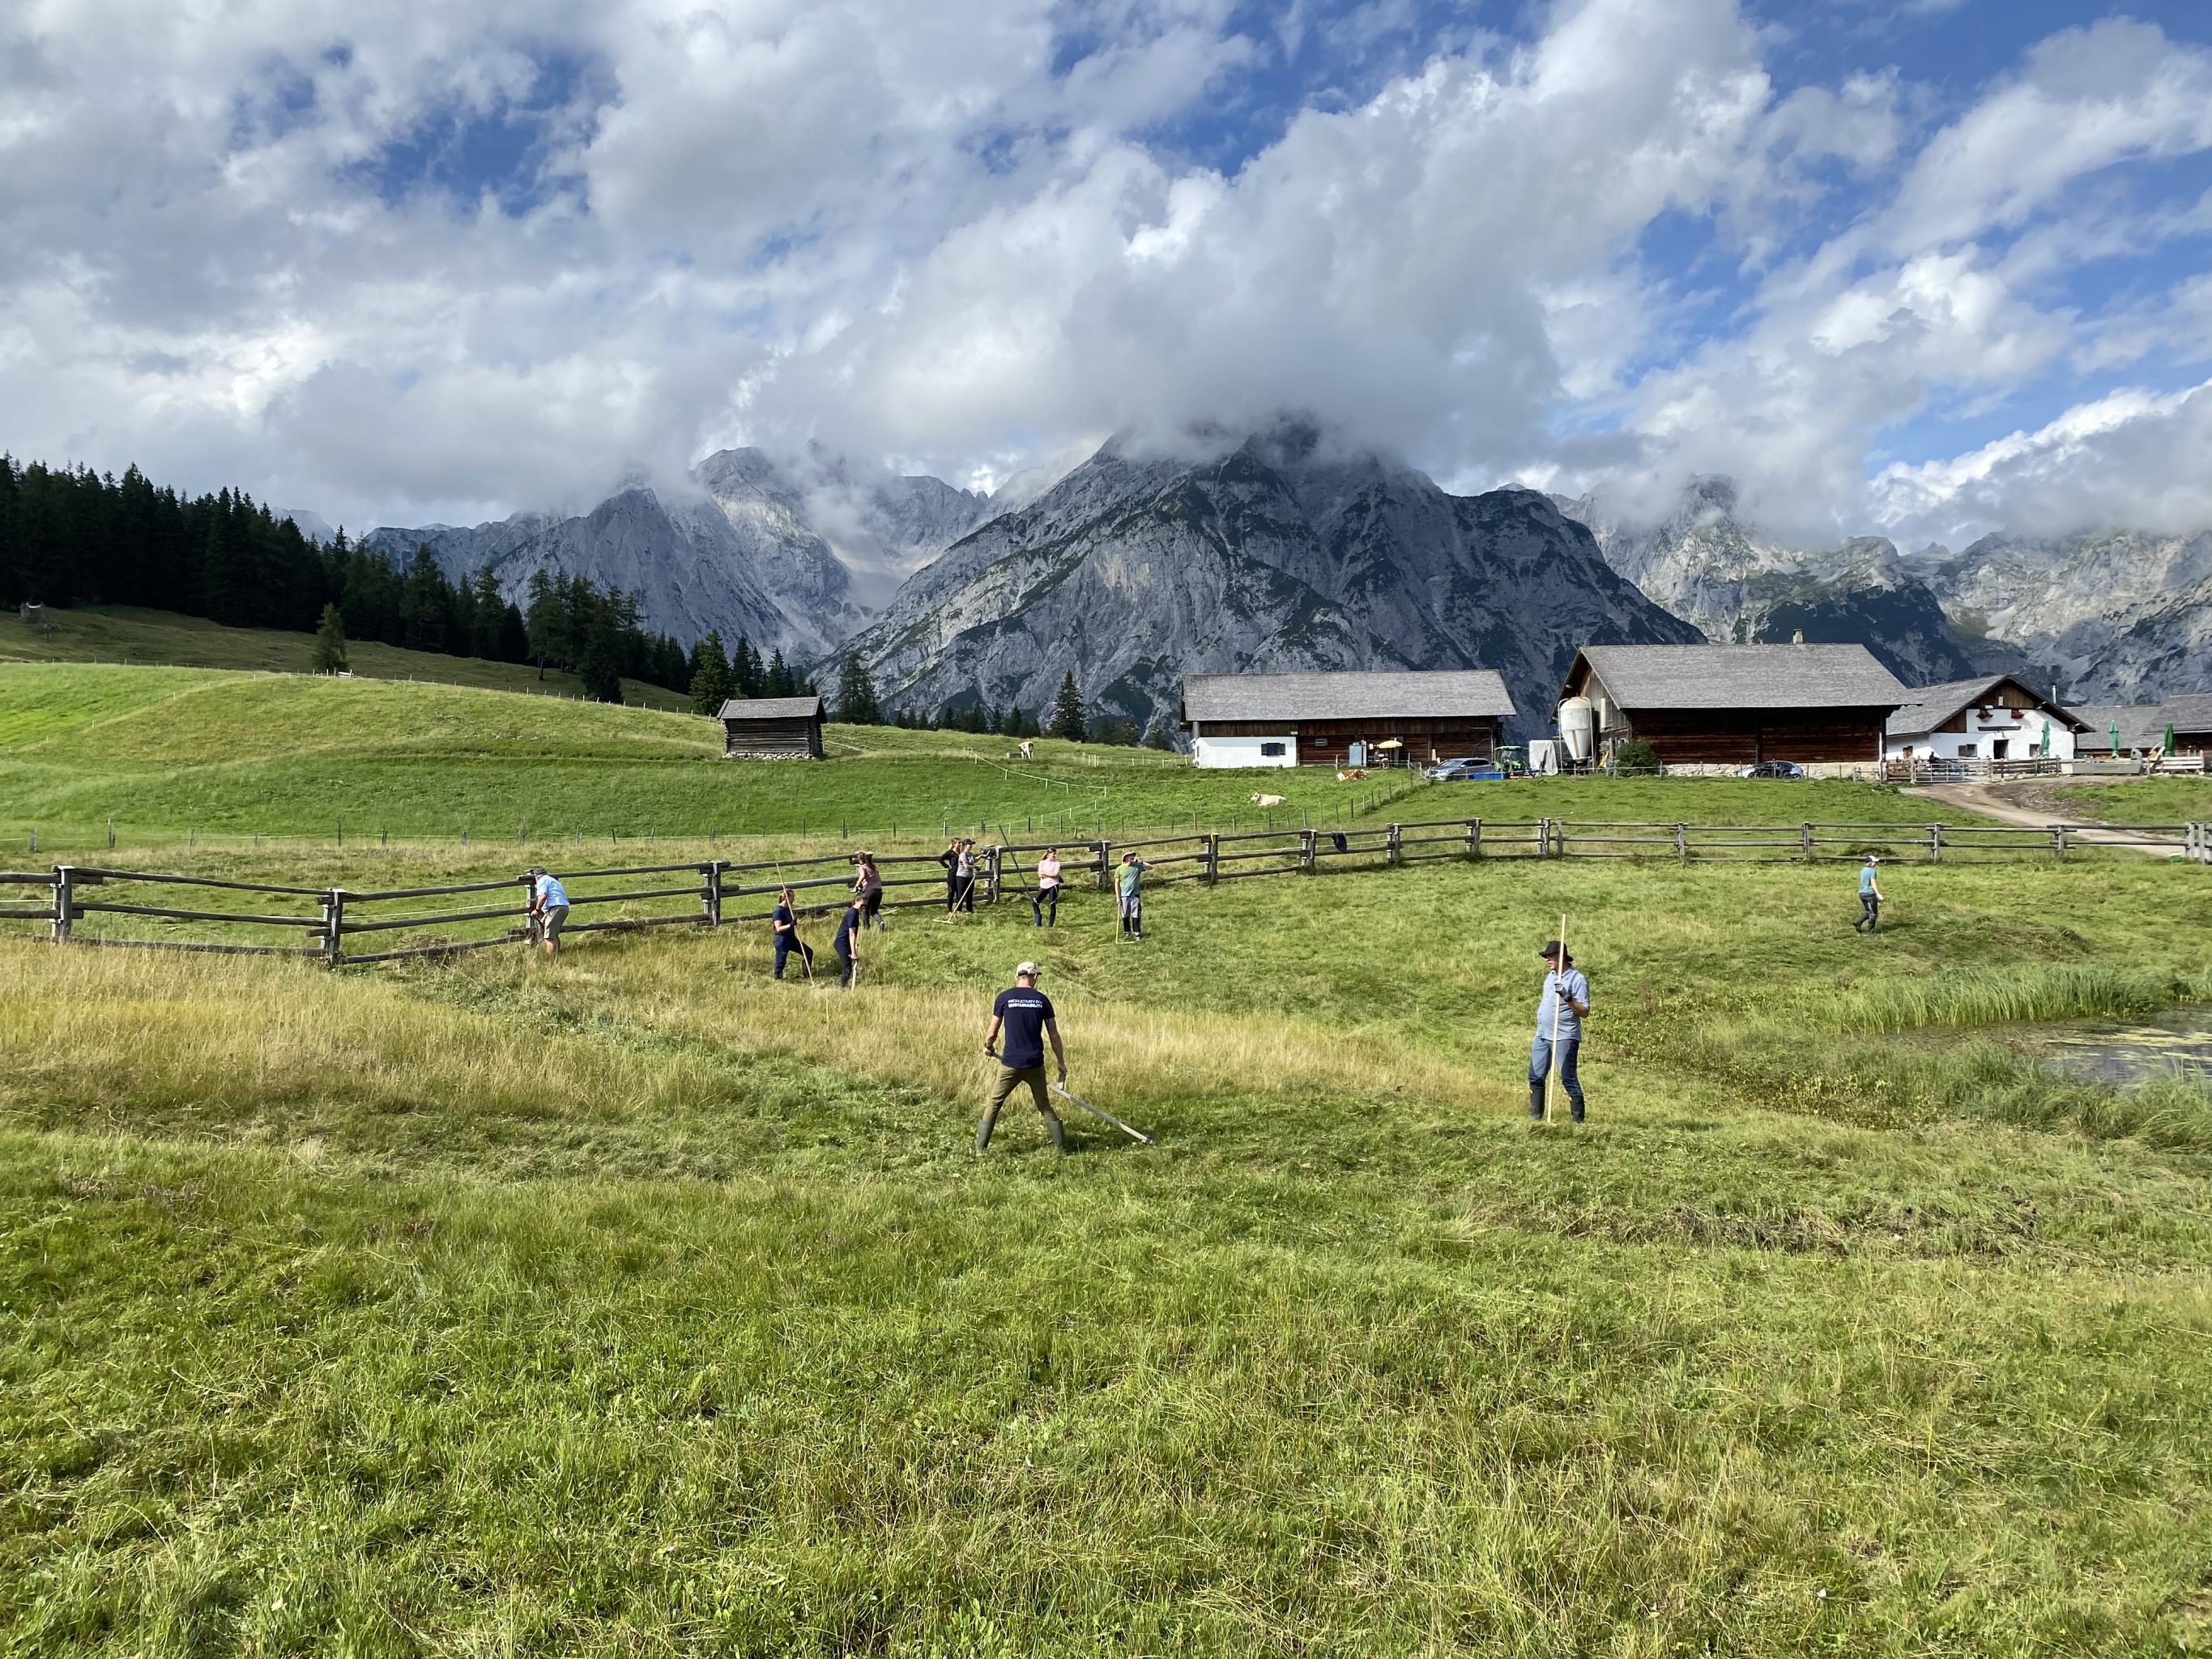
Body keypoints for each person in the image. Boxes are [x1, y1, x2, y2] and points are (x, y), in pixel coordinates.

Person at [978, 960, 1068, 1154]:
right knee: (1044, 1105)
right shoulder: (1042, 1000)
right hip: (1035, 1064)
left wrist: (988, 1046)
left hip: (1010, 1063)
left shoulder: (1004, 997)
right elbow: (1054, 1035)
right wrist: (1061, 1063)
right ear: (1034, 977)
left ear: (1017, 977)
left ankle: (980, 1150)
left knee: (994, 1104)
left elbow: (992, 1031)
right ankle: (1061, 1150)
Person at [1528, 939, 1589, 1123]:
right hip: (1542, 1035)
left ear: (1561, 957)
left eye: (1551, 956)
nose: (1547, 959)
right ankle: (1535, 1117)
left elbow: (1585, 1012)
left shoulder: (1577, 979)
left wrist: (1568, 998)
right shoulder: (1551, 977)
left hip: (1564, 1036)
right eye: (1546, 956)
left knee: (1568, 1078)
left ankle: (1578, 1122)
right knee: (1535, 1076)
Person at [769, 886, 813, 979]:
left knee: (808, 952)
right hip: (782, 939)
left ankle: (807, 975)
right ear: (786, 898)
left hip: (791, 938)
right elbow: (778, 928)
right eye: (792, 897)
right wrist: (790, 925)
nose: (794, 899)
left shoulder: (788, 910)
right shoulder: (778, 911)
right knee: (781, 961)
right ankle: (777, 978)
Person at [526, 867, 569, 957]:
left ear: (536, 877)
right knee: (554, 935)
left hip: (555, 909)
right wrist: (545, 917)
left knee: (549, 937)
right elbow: (554, 899)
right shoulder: (554, 881)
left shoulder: (542, 881)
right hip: (562, 908)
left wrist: (537, 910)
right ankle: (557, 955)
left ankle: (551, 958)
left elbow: (543, 896)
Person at [832, 893, 864, 987]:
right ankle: (843, 988)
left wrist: (854, 944)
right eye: (862, 905)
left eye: (865, 906)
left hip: (846, 942)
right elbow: (851, 933)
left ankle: (845, 986)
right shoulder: (852, 914)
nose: (863, 907)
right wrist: (853, 952)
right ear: (857, 901)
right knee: (847, 967)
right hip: (842, 943)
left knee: (848, 967)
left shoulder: (855, 912)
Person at [1116, 851, 1149, 940]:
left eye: (1133, 855)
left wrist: (1141, 862)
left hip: (1135, 895)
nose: (1132, 857)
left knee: (1136, 914)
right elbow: (1117, 883)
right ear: (1126, 858)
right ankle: (1127, 932)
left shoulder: (1138, 866)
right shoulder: (1119, 869)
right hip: (1124, 895)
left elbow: (1151, 867)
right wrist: (1118, 897)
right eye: (1130, 855)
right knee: (1125, 914)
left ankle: (1137, 933)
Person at [851, 851, 884, 929]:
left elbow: (862, 876)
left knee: (864, 909)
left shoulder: (862, 867)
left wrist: (856, 886)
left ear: (860, 860)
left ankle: (867, 928)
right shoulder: (875, 868)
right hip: (878, 891)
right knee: (874, 910)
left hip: (869, 891)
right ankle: (880, 922)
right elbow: (879, 880)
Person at [1032, 847, 1062, 928]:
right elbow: (1040, 874)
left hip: (1054, 885)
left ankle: (1051, 925)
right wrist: (1050, 874)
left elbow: (1055, 874)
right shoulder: (1042, 863)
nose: (1055, 855)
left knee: (1052, 904)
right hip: (1044, 885)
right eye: (1053, 854)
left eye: (1056, 854)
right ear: (1048, 854)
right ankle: (1038, 922)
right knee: (1035, 902)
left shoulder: (1057, 864)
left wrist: (1045, 873)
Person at [1856, 856, 1883, 933]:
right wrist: (1877, 893)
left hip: (1862, 893)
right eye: (1875, 862)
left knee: (1868, 911)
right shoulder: (1872, 871)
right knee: (1873, 914)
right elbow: (1873, 882)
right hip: (1870, 894)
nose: (1877, 863)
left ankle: (1858, 923)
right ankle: (1870, 932)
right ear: (1871, 862)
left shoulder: (1862, 870)